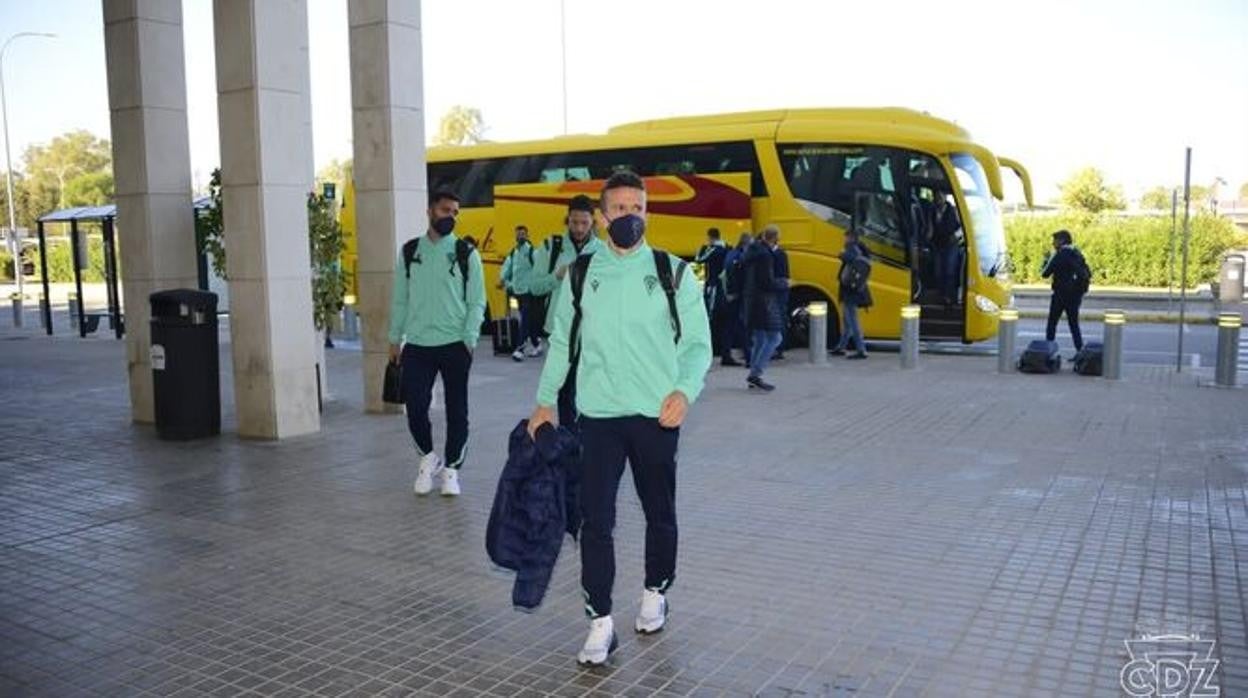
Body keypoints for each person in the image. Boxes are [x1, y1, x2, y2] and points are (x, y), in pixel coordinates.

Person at [528, 171, 712, 667]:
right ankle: (600, 622)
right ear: (603, 216)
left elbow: (697, 345)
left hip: (656, 416)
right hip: (600, 417)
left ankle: (656, 590)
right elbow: (563, 342)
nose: (630, 216)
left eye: (638, 207)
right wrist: (545, 400)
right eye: (621, 209)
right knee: (596, 521)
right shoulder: (583, 274)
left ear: (647, 211)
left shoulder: (672, 273)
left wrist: (684, 390)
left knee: (660, 512)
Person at [388, 190, 487, 496]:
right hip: (417, 345)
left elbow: (477, 301)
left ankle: (452, 471)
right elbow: (400, 300)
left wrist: (469, 339)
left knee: (458, 411)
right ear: (430, 211)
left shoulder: (465, 253)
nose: (451, 217)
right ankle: (428, 459)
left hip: (455, 344)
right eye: (446, 210)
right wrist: (395, 338)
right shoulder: (409, 252)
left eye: (456, 212)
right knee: (416, 408)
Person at [530, 195, 603, 431]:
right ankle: (571, 442)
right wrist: (556, 277)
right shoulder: (551, 247)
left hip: (593, 332)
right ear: (567, 220)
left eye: (584, 223)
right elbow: (534, 286)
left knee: (591, 389)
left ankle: (589, 440)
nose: (579, 228)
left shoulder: (603, 251)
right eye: (574, 222)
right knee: (565, 392)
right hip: (560, 332)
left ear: (593, 222)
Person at [743, 225, 787, 391]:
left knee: (760, 338)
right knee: (775, 338)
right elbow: (766, 282)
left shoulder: (751, 251)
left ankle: (753, 374)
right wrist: (783, 283)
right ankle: (756, 373)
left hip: (751, 300)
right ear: (775, 238)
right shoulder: (765, 255)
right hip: (765, 301)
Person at [1040, 229, 1091, 351]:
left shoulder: (1059, 255)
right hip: (1076, 295)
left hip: (1060, 294)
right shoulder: (1077, 253)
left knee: (1052, 323)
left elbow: (1045, 273)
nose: (1053, 243)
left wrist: (1046, 260)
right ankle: (1080, 352)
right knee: (1074, 325)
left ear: (1061, 241)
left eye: (1055, 240)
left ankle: (1048, 350)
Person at [830, 230, 872, 359]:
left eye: (846, 237)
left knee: (852, 319)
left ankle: (861, 350)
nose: (844, 240)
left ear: (851, 238)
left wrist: (842, 254)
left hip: (849, 289)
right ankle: (841, 347)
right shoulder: (862, 248)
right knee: (847, 320)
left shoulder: (852, 248)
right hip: (856, 288)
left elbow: (849, 258)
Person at [694, 228, 732, 365]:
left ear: (710, 237)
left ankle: (712, 348)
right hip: (723, 286)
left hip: (714, 286)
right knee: (724, 320)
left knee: (711, 318)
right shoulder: (727, 247)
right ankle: (723, 350)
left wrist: (701, 248)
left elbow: (699, 259)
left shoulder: (714, 249)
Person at [499, 225, 536, 361]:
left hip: (528, 292)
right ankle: (536, 344)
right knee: (523, 318)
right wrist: (504, 281)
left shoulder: (531, 251)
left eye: (523, 234)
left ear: (527, 236)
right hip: (515, 293)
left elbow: (538, 269)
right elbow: (506, 268)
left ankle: (520, 348)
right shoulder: (513, 252)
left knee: (525, 319)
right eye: (518, 234)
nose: (520, 236)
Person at [718, 232, 752, 366]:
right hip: (736, 296)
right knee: (741, 326)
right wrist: (735, 292)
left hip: (729, 296)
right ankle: (749, 358)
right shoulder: (739, 257)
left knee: (730, 327)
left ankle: (726, 355)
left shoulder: (731, 254)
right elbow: (735, 275)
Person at [927, 191, 962, 308]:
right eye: (936, 196)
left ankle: (948, 297)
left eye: (940, 196)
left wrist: (955, 236)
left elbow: (962, 227)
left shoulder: (954, 210)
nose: (938, 199)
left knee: (949, 271)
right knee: (938, 271)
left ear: (945, 197)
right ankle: (941, 294)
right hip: (937, 245)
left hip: (951, 245)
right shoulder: (931, 211)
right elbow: (930, 228)